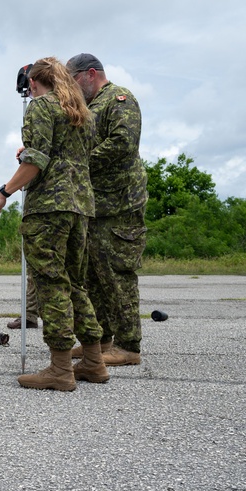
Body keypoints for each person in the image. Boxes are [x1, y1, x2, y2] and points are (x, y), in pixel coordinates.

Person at [0, 57, 107, 391]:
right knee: (75, 283)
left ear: (35, 83)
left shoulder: (40, 108)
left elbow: (36, 162)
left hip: (50, 208)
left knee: (51, 284)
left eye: (31, 87)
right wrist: (34, 154)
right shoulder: (82, 114)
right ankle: (94, 361)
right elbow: (60, 153)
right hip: (81, 205)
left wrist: (3, 193)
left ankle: (61, 368)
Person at [66, 53, 147, 367]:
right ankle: (99, 341)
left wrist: (80, 162)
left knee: (117, 273)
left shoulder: (120, 99)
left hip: (120, 204)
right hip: (96, 205)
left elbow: (123, 142)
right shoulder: (90, 106)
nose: (72, 89)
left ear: (89, 74)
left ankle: (129, 345)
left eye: (73, 81)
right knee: (94, 277)